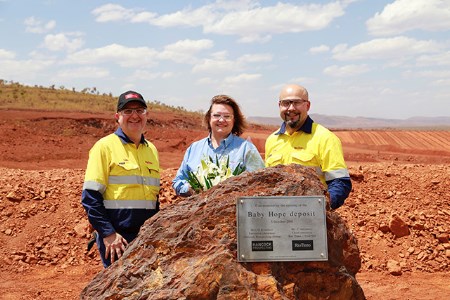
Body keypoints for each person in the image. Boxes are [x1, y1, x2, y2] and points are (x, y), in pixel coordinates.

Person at [81, 90, 160, 267]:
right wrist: (108, 234)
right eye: (128, 111)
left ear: (147, 115)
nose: (134, 116)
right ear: (118, 116)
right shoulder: (104, 147)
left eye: (140, 110)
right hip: (118, 240)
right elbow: (90, 197)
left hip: (148, 238)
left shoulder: (151, 150)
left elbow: (154, 198)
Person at [265, 84, 351, 209]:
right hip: (277, 217)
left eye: (296, 102)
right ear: (279, 106)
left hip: (311, 220)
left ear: (308, 105)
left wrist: (321, 210)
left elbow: (340, 182)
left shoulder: (325, 138)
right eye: (286, 103)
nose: (291, 108)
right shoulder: (272, 140)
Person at [172, 94, 265, 196]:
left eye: (227, 116)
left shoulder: (246, 149)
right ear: (209, 118)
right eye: (217, 115)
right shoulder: (194, 149)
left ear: (234, 120)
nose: (221, 120)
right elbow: (178, 182)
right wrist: (190, 189)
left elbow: (260, 183)